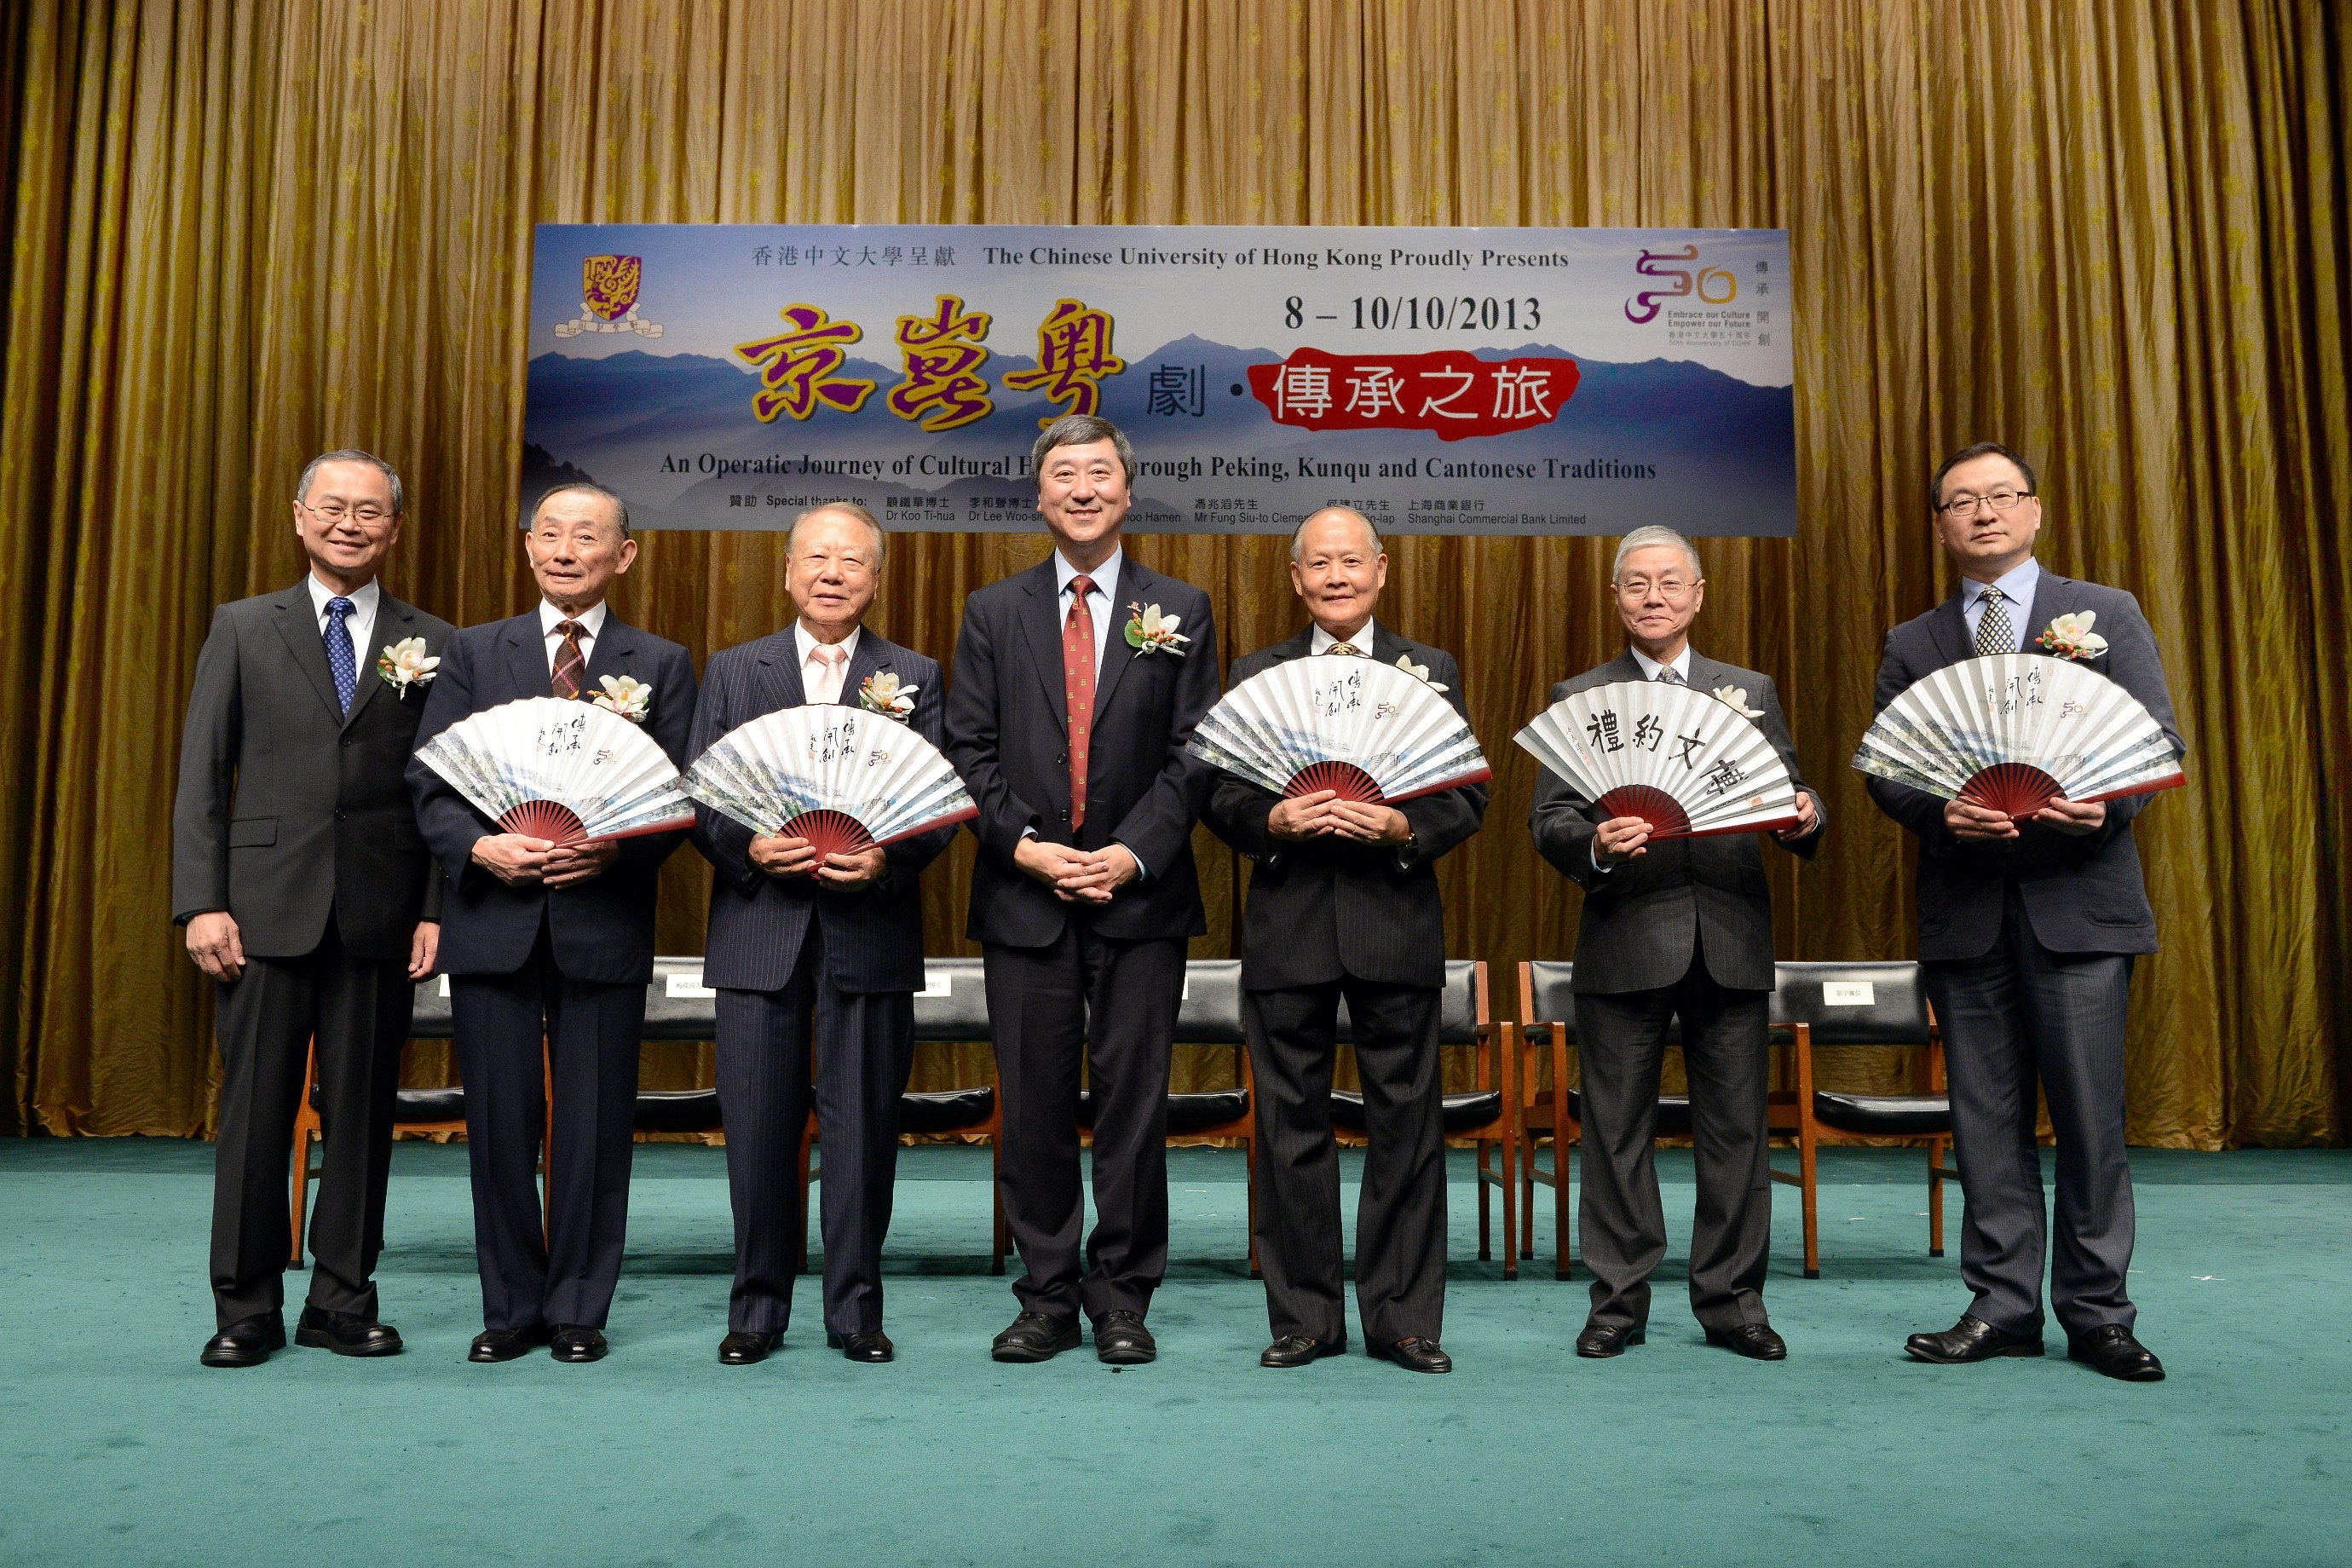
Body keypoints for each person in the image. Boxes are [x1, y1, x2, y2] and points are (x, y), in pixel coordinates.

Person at [1871, 441, 2182, 1382]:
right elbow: (1890, 769)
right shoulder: (1913, 642)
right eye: (1962, 502)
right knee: (1985, 1121)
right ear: (1940, 526)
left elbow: (2157, 738)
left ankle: (2098, 1312)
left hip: (2080, 907)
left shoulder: (2105, 614)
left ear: (2036, 511)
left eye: (2002, 496)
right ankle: (2001, 1305)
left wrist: (2109, 802)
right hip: (1967, 911)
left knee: (2091, 1119)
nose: (1984, 513)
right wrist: (1941, 812)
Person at [943, 414, 1219, 1366]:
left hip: (1141, 898)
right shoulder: (993, 611)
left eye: (1100, 473)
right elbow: (966, 751)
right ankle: (1047, 1293)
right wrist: (1028, 846)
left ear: (1128, 492)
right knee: (1034, 1101)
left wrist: (1129, 852)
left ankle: (1124, 1296)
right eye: (1065, 474)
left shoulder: (1180, 605)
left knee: (1135, 1107)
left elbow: (1196, 755)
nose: (1084, 488)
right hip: (1026, 896)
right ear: (1039, 496)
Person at [173, 450, 453, 1369]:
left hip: (381, 909)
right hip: (260, 910)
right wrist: (201, 902)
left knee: (365, 1114)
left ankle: (343, 1297)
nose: (350, 523)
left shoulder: (431, 639)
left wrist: (434, 907)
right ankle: (245, 1304)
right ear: (299, 517)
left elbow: (446, 789)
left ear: (394, 529)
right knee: (255, 1112)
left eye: (369, 512)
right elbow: (203, 778)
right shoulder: (246, 626)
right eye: (332, 508)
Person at [407, 482, 695, 1364]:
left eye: (587, 535)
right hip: (493, 918)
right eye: (550, 534)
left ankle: (578, 1306)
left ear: (625, 553)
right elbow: (429, 781)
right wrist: (478, 849)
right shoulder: (472, 652)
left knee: (597, 1125)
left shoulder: (662, 661)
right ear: (528, 545)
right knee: (497, 1121)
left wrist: (612, 854)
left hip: (601, 922)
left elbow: (681, 796)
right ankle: (508, 1309)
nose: (565, 549)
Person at [1202, 507, 1486, 1375]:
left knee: (1407, 1125)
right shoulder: (1258, 674)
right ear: (1296, 578)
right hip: (1288, 928)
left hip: (1393, 923)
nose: (1335, 576)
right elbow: (1217, 795)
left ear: (1381, 571)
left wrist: (1403, 823)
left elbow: (1465, 797)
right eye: (1318, 564)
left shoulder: (1427, 671)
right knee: (1288, 1126)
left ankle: (1402, 1317)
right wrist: (1272, 817)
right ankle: (1304, 1317)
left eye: (1350, 562)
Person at [1529, 525, 1825, 1362]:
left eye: (1668, 582)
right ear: (1615, 598)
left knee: (1735, 1131)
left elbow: (1792, 793)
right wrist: (1592, 842)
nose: (1652, 596)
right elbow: (1548, 818)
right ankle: (1617, 1302)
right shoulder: (1580, 694)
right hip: (1625, 935)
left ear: (1699, 593)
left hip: (1730, 935)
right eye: (1635, 584)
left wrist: (1807, 813)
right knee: (1615, 1129)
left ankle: (1733, 1301)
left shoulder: (1749, 689)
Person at [689, 504, 954, 1367]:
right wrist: (747, 847)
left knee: (864, 1128)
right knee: (759, 1125)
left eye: (852, 560)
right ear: (789, 571)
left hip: (868, 931)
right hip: (758, 928)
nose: (833, 572)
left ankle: (856, 1310)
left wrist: (886, 862)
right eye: (818, 557)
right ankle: (756, 1309)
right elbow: (698, 796)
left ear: (875, 578)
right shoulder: (733, 671)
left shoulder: (912, 673)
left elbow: (940, 803)